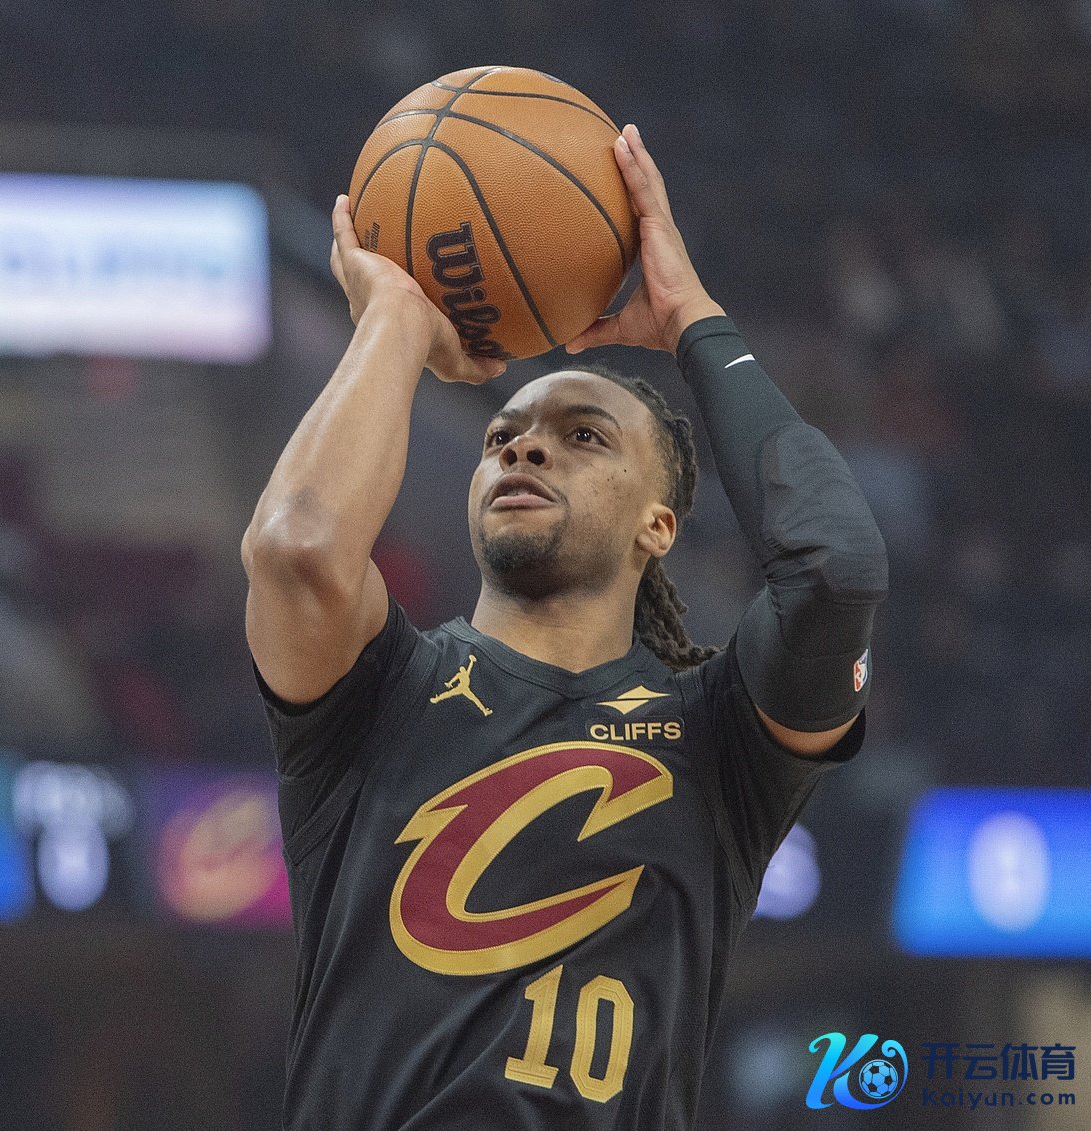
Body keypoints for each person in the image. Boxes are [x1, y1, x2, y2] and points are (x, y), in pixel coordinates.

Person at [241, 124, 887, 1129]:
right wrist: (395, 322)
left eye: (581, 437)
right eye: (501, 438)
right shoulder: (380, 690)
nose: (522, 450)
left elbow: (834, 570)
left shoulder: (717, 741)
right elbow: (296, 551)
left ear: (658, 525)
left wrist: (692, 319)